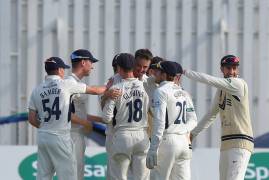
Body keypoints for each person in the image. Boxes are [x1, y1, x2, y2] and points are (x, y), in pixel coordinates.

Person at [28, 57, 108, 180]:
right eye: (63, 69)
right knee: (69, 176)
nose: (64, 72)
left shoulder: (36, 90)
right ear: (59, 70)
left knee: (43, 176)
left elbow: (32, 119)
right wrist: (109, 86)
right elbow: (95, 91)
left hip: (43, 136)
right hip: (60, 136)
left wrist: (48, 127)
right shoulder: (66, 84)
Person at [184, 55, 254, 180]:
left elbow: (210, 80)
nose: (232, 72)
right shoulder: (222, 90)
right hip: (226, 143)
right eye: (228, 68)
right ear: (222, 69)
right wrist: (193, 133)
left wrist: (185, 72)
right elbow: (211, 115)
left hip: (241, 142)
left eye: (234, 68)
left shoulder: (238, 84)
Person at [146, 61, 197, 180]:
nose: (154, 74)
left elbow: (159, 122)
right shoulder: (183, 92)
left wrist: (153, 148)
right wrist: (181, 131)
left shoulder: (161, 91)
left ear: (164, 75)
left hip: (168, 141)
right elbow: (193, 120)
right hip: (184, 142)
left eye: (158, 71)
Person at [102, 53, 150, 180]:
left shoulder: (114, 87)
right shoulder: (146, 86)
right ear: (134, 66)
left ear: (118, 68)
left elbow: (106, 118)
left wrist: (107, 95)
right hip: (142, 135)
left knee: (118, 177)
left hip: (121, 135)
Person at [66, 49, 104, 180]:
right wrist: (112, 85)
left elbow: (78, 113)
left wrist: (101, 120)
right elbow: (66, 114)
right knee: (73, 174)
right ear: (83, 62)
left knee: (77, 173)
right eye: (91, 62)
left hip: (77, 134)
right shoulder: (71, 83)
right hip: (71, 135)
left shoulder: (74, 82)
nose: (92, 66)